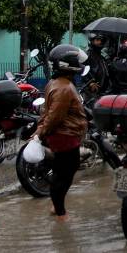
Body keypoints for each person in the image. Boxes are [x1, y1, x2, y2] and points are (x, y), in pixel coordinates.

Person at [33, 44, 89, 221]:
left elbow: (46, 112)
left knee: (62, 172)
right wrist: (39, 133)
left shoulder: (55, 83)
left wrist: (40, 131)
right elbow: (54, 116)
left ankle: (56, 207)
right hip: (65, 137)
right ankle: (60, 213)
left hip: (62, 137)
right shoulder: (64, 88)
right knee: (64, 175)